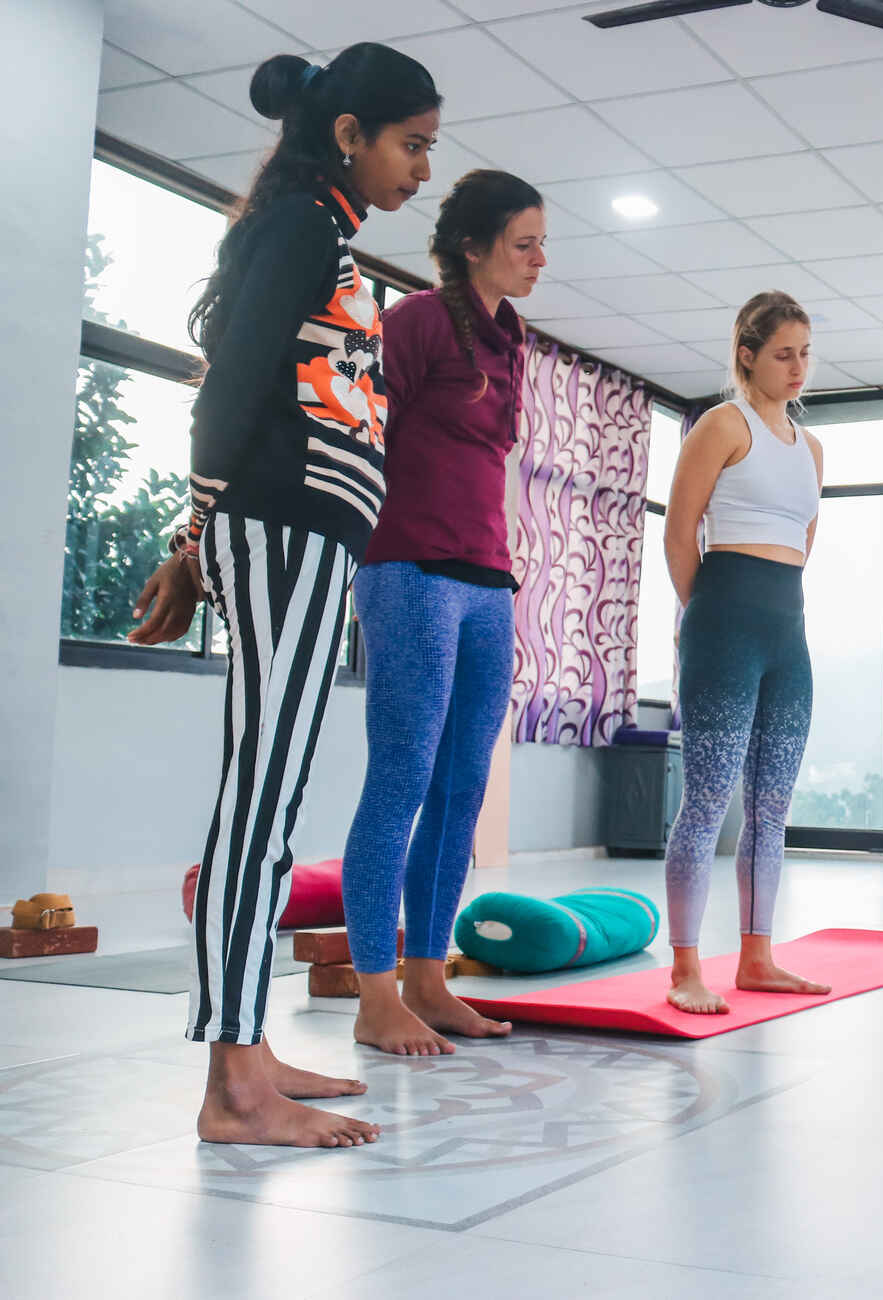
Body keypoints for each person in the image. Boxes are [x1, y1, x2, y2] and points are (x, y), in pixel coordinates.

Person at [129, 45, 441, 1145]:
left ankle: (251, 1047)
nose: (422, 169)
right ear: (349, 133)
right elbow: (229, 393)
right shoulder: (305, 227)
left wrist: (200, 536)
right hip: (286, 531)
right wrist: (196, 535)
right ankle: (231, 1086)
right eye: (411, 144)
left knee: (274, 791)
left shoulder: (322, 231)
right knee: (260, 801)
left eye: (430, 148)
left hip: (305, 537)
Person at [339, 170, 547, 1057]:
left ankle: (429, 976)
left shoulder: (515, 336)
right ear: (473, 246)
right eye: (524, 242)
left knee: (464, 786)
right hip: (411, 568)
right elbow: (361, 428)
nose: (540, 259)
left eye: (542, 242)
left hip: (489, 579)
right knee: (404, 777)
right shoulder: (418, 320)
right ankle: (374, 993)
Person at [657, 291, 829, 1014]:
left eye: (804, 354)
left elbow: (803, 543)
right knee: (706, 804)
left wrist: (765, 620)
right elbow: (678, 532)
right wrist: (708, 618)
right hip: (723, 627)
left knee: (770, 807)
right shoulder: (721, 425)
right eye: (783, 353)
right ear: (748, 355)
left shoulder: (812, 448)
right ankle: (685, 968)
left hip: (786, 638)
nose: (797, 368)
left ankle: (758, 956)